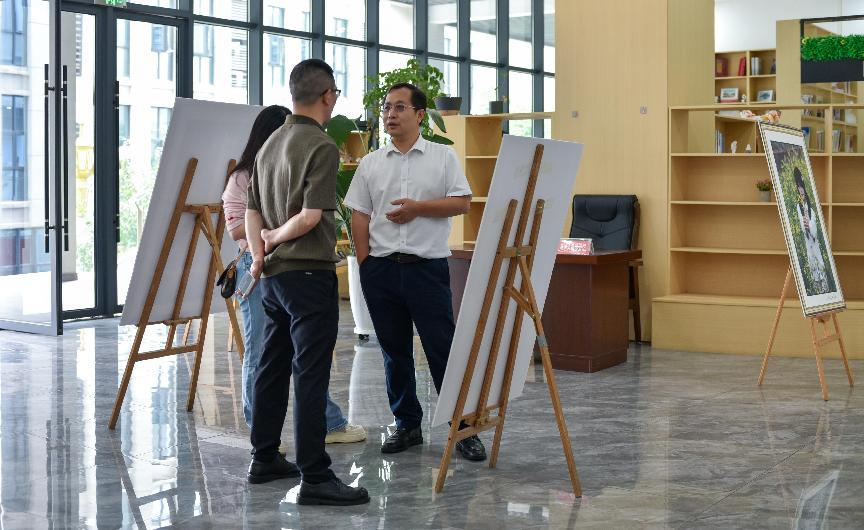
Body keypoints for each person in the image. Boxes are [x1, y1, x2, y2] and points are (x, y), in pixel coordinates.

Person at [244, 58, 369, 506]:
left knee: (272, 366)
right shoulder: (320, 144)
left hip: (274, 278)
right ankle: (315, 475)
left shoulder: (269, 144)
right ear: (328, 96)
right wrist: (275, 238)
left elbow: (251, 210)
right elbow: (312, 216)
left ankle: (263, 458)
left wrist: (260, 255)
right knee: (311, 373)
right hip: (309, 274)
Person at [342, 83, 486, 461]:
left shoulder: (442, 157)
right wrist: (366, 263)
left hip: (427, 269)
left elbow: (462, 203)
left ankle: (463, 427)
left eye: (399, 107)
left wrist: (418, 208)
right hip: (382, 270)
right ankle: (407, 424)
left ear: (420, 115)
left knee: (443, 349)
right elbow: (359, 214)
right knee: (394, 352)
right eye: (386, 108)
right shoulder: (371, 163)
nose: (390, 114)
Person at [221, 105, 366, 444]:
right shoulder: (243, 176)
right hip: (259, 263)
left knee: (305, 353)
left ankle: (326, 423)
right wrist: (276, 231)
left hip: (290, 262)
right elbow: (237, 228)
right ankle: (262, 432)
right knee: (261, 352)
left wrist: (277, 227)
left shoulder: (285, 166)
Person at [793, 166, 829, 295]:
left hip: (814, 238)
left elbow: (814, 222)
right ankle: (816, 285)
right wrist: (804, 225)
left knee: (819, 259)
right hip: (807, 239)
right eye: (798, 188)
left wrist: (810, 224)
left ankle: (824, 285)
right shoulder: (798, 206)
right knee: (811, 259)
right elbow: (800, 221)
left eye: (801, 187)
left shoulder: (810, 206)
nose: (800, 190)